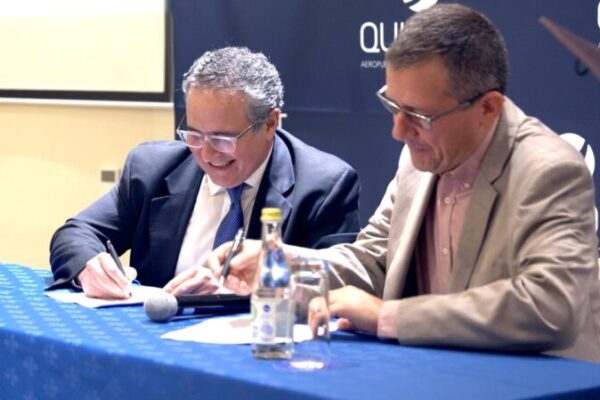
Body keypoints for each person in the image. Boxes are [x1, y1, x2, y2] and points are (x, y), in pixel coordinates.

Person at [210, 5, 600, 362]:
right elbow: (375, 261)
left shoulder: (549, 170)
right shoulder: (420, 157)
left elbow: (549, 305)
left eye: (419, 115)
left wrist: (387, 315)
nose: (399, 131)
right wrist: (282, 263)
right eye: (393, 106)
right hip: (437, 372)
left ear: (488, 107)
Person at [49, 47, 361, 299]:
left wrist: (231, 294)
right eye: (195, 135)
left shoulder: (323, 187)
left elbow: (337, 287)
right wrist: (90, 266)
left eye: (224, 139)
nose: (208, 155)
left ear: (270, 123)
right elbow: (76, 234)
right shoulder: (151, 169)